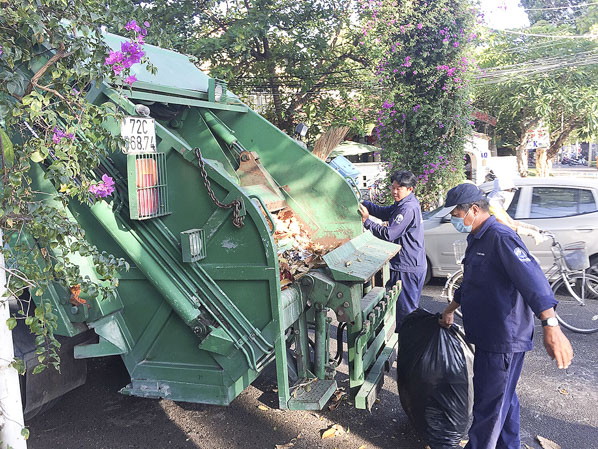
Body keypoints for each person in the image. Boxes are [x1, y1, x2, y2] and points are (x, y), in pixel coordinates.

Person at [439, 183, 573, 449]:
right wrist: (450, 309)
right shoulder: (477, 238)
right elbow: (471, 282)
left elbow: (534, 281)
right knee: (504, 399)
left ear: (473, 210)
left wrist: (551, 325)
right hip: (488, 335)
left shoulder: (501, 238)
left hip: (503, 338)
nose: (453, 220)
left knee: (490, 406)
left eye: (455, 214)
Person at [358, 170, 426, 328]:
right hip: (407, 264)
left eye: (399, 188)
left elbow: (389, 234)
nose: (394, 192)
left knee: (406, 315)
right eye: (393, 187)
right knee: (403, 311)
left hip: (407, 267)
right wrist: (364, 204)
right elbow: (385, 212)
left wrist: (367, 221)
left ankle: (408, 350)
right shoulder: (404, 203)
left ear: (410, 189)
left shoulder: (407, 208)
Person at [487, 176, 547, 245]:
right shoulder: (490, 206)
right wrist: (529, 232)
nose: (511, 193)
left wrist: (532, 228)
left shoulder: (498, 206)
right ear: (501, 191)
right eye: (510, 190)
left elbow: (511, 222)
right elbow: (504, 225)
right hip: (494, 242)